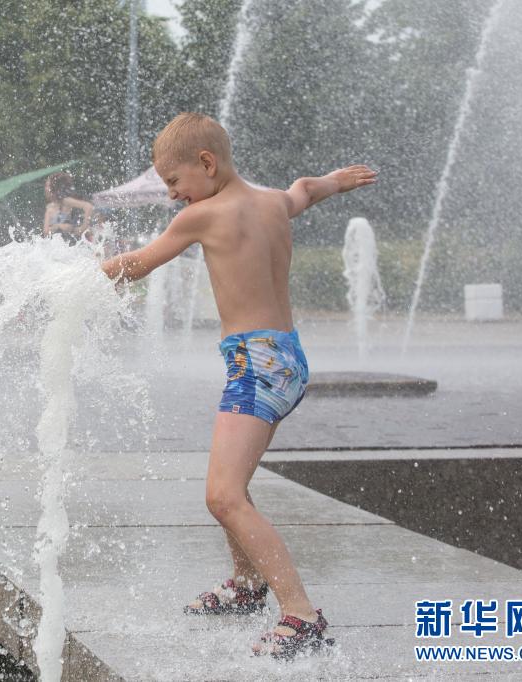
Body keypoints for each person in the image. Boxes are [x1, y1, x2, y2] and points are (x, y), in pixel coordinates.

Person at [101, 113, 376, 659]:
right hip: (287, 358)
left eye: (174, 181)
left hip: (256, 366)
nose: (172, 194)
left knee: (223, 496)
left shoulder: (201, 215)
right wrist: (337, 181)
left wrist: (63, 278)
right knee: (235, 482)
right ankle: (247, 584)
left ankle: (300, 613)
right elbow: (305, 190)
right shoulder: (273, 201)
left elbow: (138, 264)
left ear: (207, 163)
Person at [42, 172, 94, 244]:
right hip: (61, 245)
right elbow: (45, 232)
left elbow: (88, 207)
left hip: (76, 242)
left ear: (54, 188)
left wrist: (82, 228)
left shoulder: (66, 201)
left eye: (47, 186)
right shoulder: (49, 207)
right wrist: (59, 226)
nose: (45, 188)